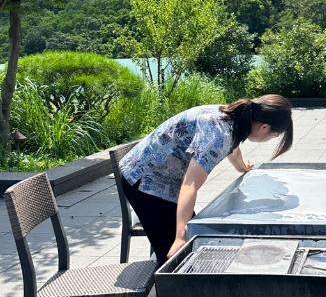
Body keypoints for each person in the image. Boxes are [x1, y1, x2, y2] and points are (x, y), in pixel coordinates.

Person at [119, 95, 293, 266]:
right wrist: (180, 237)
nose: (271, 139)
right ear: (264, 127)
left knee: (192, 243)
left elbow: (233, 146)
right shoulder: (219, 135)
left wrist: (242, 167)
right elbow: (190, 185)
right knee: (179, 255)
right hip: (145, 181)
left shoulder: (234, 117)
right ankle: (167, 280)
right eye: (274, 136)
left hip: (161, 177)